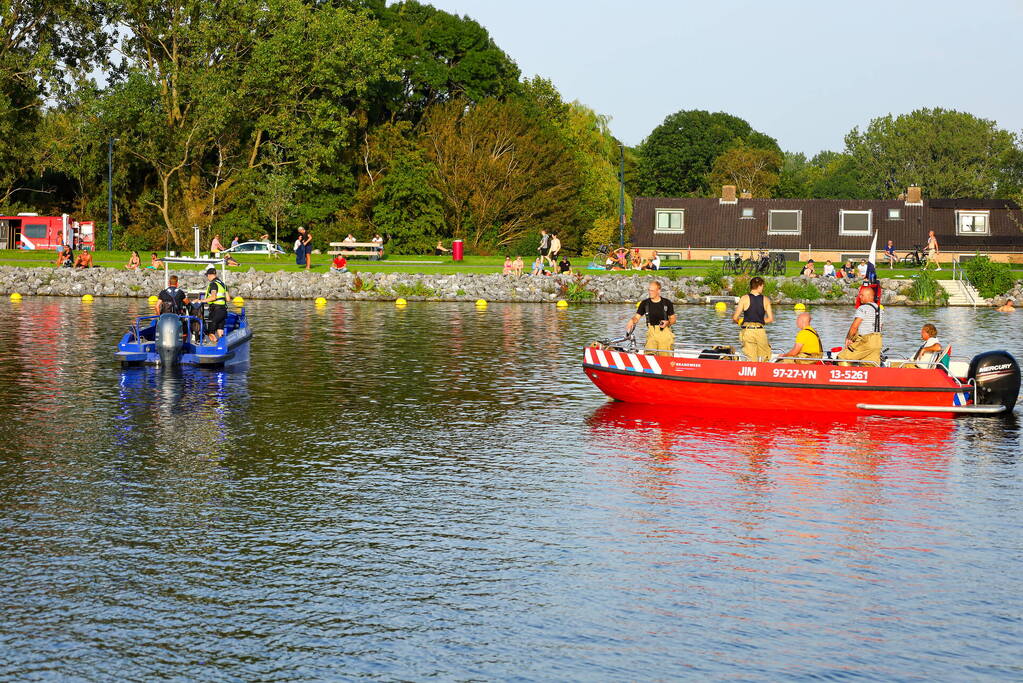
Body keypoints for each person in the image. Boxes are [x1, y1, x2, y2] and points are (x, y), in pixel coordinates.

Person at [626, 280, 676, 356]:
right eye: (649, 290)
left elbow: (673, 319)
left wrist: (667, 322)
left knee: (665, 358)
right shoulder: (644, 303)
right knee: (648, 356)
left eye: (652, 290)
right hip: (651, 334)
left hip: (665, 334)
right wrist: (631, 321)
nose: (650, 292)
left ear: (659, 291)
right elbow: (636, 317)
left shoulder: (667, 303)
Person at [838, 286, 883, 366]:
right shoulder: (880, 309)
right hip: (877, 342)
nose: (859, 297)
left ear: (870, 296)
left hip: (866, 341)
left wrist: (849, 338)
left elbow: (854, 326)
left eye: (862, 295)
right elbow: (881, 326)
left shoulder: (863, 308)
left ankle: (847, 377)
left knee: (842, 357)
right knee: (869, 365)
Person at [732, 276, 774, 361]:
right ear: (759, 286)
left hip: (748, 331)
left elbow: (735, 317)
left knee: (750, 358)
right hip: (760, 331)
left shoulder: (744, 298)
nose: (762, 288)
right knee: (764, 358)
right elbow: (770, 319)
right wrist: (759, 321)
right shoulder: (766, 300)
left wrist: (741, 322)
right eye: (762, 286)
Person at [200, 266, 229, 343]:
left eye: (207, 276)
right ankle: (223, 344)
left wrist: (201, 301)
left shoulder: (213, 284)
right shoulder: (223, 284)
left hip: (216, 311)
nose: (207, 277)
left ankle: (215, 347)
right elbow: (228, 299)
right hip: (223, 310)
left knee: (210, 332)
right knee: (220, 330)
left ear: (210, 275)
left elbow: (213, 297)